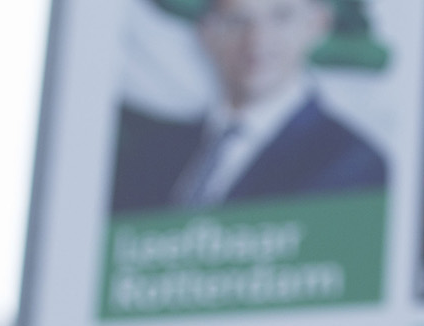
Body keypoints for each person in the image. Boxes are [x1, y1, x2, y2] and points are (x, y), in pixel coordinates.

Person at [110, 0, 386, 216]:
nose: (257, 40)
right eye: (236, 20)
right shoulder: (156, 151)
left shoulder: (354, 162)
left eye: (281, 16)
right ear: (206, 32)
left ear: (317, 24)